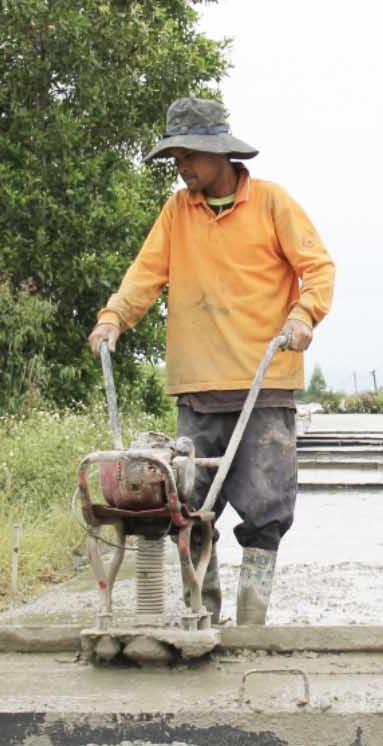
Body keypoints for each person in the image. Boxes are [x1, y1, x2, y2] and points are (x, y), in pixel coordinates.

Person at [87, 96, 334, 626]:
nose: (181, 166)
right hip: (198, 391)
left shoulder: (272, 203)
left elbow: (318, 268)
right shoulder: (178, 212)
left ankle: (251, 624)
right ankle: (203, 613)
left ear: (218, 152)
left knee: (267, 511)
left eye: (188, 154)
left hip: (263, 388)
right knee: (189, 509)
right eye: (174, 156)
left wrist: (303, 317)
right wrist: (113, 319)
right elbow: (144, 274)